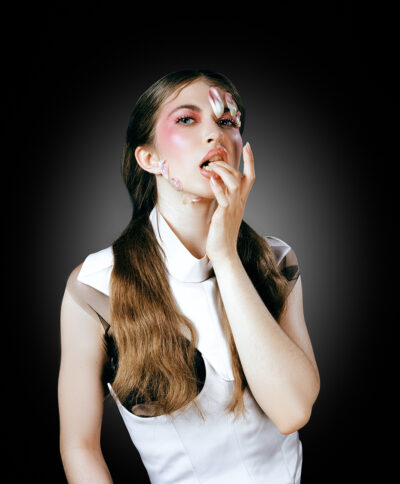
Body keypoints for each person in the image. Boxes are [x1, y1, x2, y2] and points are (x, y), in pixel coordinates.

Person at [58, 69, 320, 484]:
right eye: (186, 119)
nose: (214, 135)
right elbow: (79, 446)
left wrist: (226, 257)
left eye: (227, 121)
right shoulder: (95, 287)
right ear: (149, 158)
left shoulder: (275, 260)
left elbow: (292, 412)